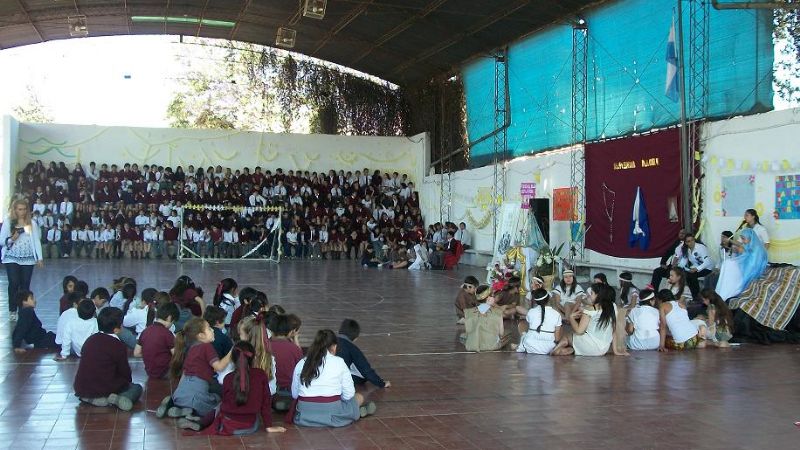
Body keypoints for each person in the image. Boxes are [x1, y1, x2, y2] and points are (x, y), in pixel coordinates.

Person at [185, 341, 286, 434]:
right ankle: (201, 422)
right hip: (249, 426)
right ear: (253, 357)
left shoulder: (228, 378)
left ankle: (201, 423)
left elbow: (225, 402)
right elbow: (266, 403)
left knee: (219, 405)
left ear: (233, 359)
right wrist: (268, 426)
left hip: (227, 423)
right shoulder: (260, 375)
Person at [289, 329, 376, 427]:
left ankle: (353, 412)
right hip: (331, 413)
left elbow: (295, 395)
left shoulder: (302, 362)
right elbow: (349, 394)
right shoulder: (339, 362)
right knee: (359, 397)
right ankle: (355, 412)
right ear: (334, 347)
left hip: (304, 414)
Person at [158, 317, 232, 420]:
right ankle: (191, 414)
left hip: (180, 394)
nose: (212, 330)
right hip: (196, 395)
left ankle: (176, 406)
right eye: (209, 329)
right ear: (201, 335)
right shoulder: (207, 347)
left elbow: (185, 373)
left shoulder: (192, 349)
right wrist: (232, 352)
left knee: (202, 396)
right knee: (217, 402)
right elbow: (219, 367)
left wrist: (176, 393)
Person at [74, 307, 143, 411]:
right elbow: (125, 372)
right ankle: (115, 398)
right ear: (117, 329)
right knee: (137, 388)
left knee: (98, 385)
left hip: (81, 388)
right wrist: (127, 384)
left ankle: (92, 399)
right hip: (105, 388)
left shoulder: (90, 339)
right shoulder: (118, 345)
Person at [552, 284, 626, 357]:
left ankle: (556, 349)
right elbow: (614, 330)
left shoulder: (589, 310)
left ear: (598, 295)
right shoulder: (613, 307)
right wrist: (616, 351)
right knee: (580, 337)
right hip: (603, 350)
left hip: (589, 346)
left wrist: (571, 317)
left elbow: (579, 331)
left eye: (592, 293)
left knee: (567, 335)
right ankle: (573, 349)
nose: (589, 295)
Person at [1, 198, 44, 321]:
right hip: (11, 256)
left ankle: (23, 309)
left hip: (28, 258)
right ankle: (12, 309)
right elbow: (2, 240)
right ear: (15, 210)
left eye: (24, 209)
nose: (22, 212)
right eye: (20, 209)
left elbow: (36, 240)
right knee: (14, 283)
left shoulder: (31, 224)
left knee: (25, 284)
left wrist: (39, 257)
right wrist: (11, 239)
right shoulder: (9, 222)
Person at [715, 227, 768, 301]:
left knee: (729, 265)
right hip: (743, 269)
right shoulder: (748, 246)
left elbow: (752, 264)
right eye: (742, 238)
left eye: (743, 239)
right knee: (727, 264)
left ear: (750, 238)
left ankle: (724, 296)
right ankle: (721, 295)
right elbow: (742, 251)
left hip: (751, 272)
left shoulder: (758, 249)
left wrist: (743, 252)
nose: (742, 241)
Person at [336, 319, 391, 388]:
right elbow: (366, 370)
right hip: (337, 379)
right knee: (363, 376)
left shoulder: (328, 341)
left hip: (320, 375)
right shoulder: (352, 348)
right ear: (356, 338)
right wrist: (381, 383)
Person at [134, 302, 179, 379]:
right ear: (169, 318)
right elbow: (176, 355)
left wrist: (150, 354)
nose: (172, 324)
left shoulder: (145, 331)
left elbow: (136, 353)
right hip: (166, 372)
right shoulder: (167, 334)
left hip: (149, 372)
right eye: (173, 322)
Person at [269, 314, 304, 411]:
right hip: (288, 392)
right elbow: (302, 370)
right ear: (290, 331)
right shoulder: (294, 349)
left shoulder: (264, 346)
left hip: (268, 392)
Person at [464, 285, 510, 352]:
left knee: (463, 336)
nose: (493, 297)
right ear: (489, 298)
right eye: (493, 295)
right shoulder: (498, 312)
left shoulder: (468, 312)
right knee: (508, 334)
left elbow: (468, 331)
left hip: (472, 345)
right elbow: (501, 333)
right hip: (492, 345)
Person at [516, 289, 561, 355]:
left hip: (529, 345)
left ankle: (520, 345)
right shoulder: (556, 314)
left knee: (522, 324)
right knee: (560, 328)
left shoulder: (531, 312)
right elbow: (557, 338)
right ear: (548, 299)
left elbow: (529, 327)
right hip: (549, 348)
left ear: (535, 301)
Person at [674, 233, 714, 298]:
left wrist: (696, 269)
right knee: (686, 275)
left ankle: (697, 296)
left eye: (692, 240)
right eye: (689, 241)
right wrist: (678, 268)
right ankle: (693, 295)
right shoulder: (687, 249)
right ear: (686, 243)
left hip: (707, 268)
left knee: (692, 275)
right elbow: (683, 262)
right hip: (696, 268)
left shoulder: (701, 247)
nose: (691, 242)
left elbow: (707, 262)